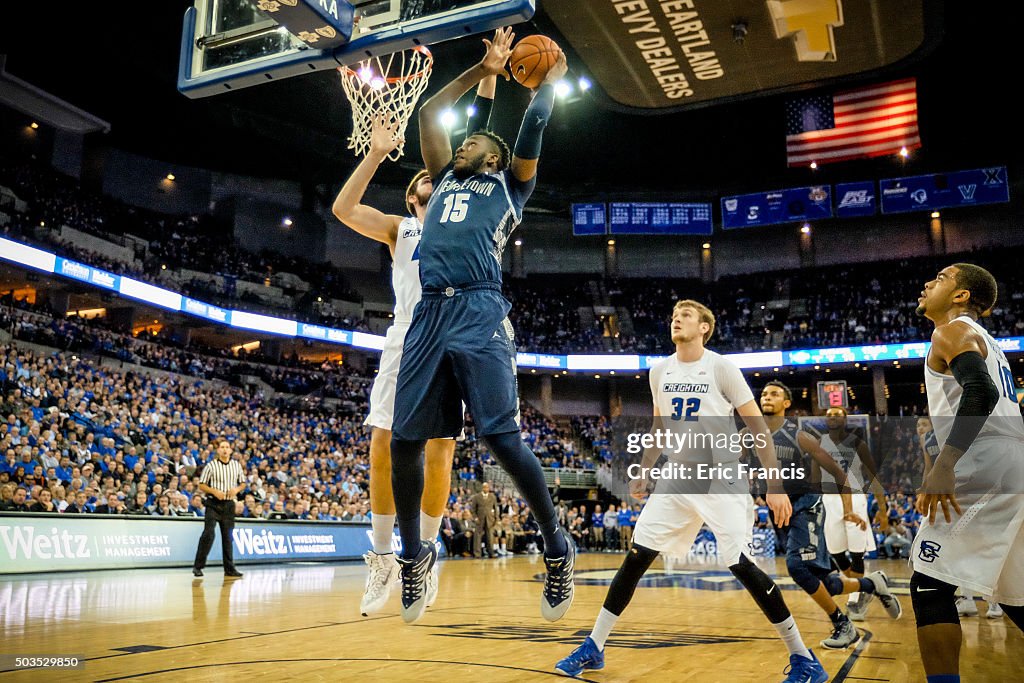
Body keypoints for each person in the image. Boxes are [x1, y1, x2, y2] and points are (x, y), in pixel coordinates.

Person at [388, 27, 573, 624]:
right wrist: (483, 68)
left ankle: (556, 545)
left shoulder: (511, 182)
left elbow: (534, 126)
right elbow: (431, 112)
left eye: (474, 140)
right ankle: (414, 556)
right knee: (404, 440)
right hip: (429, 314)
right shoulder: (442, 179)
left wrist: (548, 80)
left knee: (500, 437)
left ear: (490, 154)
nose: (461, 142)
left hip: (479, 309)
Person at [555, 301, 826, 682]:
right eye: (673, 316)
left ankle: (803, 657)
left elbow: (758, 427)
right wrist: (645, 471)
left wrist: (774, 485)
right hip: (678, 478)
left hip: (722, 479)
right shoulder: (659, 370)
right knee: (636, 556)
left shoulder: (721, 367)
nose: (676, 319)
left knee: (740, 564)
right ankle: (595, 645)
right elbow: (659, 426)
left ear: (704, 328)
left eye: (685, 315)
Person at [332, 75, 496, 616]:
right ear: (413, 196)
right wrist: (377, 153)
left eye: (437, 177)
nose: (431, 180)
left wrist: (490, 78)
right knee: (382, 443)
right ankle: (382, 555)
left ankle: (421, 554)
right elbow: (343, 209)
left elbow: (480, 152)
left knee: (439, 449)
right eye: (422, 180)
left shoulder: (468, 217)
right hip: (406, 337)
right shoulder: (400, 228)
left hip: (455, 331)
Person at [911, 263, 1024, 681]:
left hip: (984, 463)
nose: (927, 283)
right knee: (1015, 595)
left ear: (961, 296)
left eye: (940, 278)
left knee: (929, 582)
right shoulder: (989, 342)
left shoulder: (952, 330)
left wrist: (944, 465)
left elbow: (982, 391)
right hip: (1010, 462)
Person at [756, 381, 901, 651]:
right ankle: (872, 583)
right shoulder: (752, 435)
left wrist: (853, 509)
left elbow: (841, 474)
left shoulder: (800, 436)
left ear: (787, 404)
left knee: (797, 567)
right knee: (824, 582)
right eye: (764, 393)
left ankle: (842, 623)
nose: (767, 397)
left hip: (809, 506)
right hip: (783, 510)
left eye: (774, 393)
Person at [812, 406, 891, 621]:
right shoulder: (819, 443)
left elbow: (874, 477)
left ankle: (856, 598)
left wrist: (883, 511)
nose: (832, 417)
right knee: (835, 552)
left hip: (855, 499)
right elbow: (813, 478)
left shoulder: (858, 443)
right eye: (829, 415)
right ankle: (868, 585)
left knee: (857, 552)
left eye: (837, 414)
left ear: (846, 419)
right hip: (829, 500)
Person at [192, 439, 245, 578]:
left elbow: (243, 483)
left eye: (227, 447)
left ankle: (229, 568)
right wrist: (214, 491)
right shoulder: (211, 466)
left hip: (228, 505)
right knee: (209, 534)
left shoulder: (236, 466)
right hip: (213, 503)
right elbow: (202, 485)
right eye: (222, 447)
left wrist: (236, 490)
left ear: (231, 450)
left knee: (228, 538)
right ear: (218, 450)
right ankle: (198, 566)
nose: (225, 449)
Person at [469, 481, 500, 557]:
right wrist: (475, 517)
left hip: (490, 519)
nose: (486, 489)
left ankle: (491, 553)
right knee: (477, 536)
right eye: (485, 487)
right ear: (482, 488)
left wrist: (496, 518)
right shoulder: (476, 497)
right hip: (479, 519)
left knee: (490, 536)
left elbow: (495, 508)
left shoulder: (492, 496)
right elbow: (472, 509)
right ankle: (477, 553)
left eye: (487, 487)